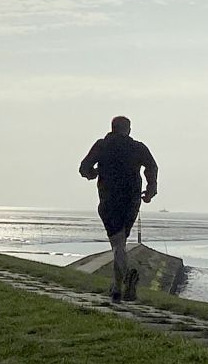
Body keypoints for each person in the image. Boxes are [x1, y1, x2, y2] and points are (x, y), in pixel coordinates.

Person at [79, 116, 158, 303]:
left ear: (112, 128)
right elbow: (152, 167)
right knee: (121, 241)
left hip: (109, 200)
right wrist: (150, 191)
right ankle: (118, 286)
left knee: (118, 244)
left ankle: (121, 282)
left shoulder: (102, 145)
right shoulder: (138, 147)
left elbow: (84, 168)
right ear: (128, 130)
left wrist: (96, 172)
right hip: (131, 201)